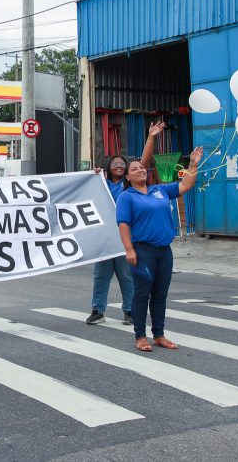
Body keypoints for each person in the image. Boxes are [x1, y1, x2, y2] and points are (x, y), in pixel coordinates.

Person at [117, 145, 203, 352]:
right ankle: (140, 336)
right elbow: (123, 225)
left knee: (160, 295)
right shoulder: (126, 197)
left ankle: (159, 335)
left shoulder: (160, 190)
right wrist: (129, 249)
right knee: (141, 294)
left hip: (164, 251)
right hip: (142, 251)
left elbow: (185, 186)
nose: (140, 171)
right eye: (134, 169)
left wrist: (192, 164)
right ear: (128, 177)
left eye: (142, 168)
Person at [86, 121, 165, 326]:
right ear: (108, 166)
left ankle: (129, 311)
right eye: (116, 163)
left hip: (125, 237)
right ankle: (97, 310)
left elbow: (145, 162)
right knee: (100, 275)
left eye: (123, 164)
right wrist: (91, 175)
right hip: (103, 239)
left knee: (127, 276)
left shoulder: (129, 186)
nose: (119, 166)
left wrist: (151, 137)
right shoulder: (99, 182)